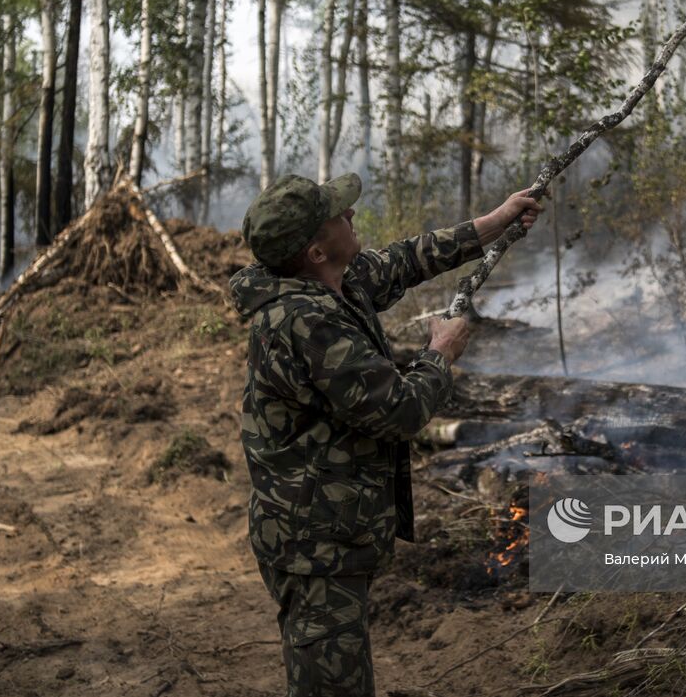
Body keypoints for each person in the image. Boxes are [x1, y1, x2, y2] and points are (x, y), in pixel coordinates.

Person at [229, 172, 542, 697]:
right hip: (314, 545)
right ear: (315, 251)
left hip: (331, 532)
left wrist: (497, 221)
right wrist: (440, 354)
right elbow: (397, 410)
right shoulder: (304, 322)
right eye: (336, 215)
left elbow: (406, 259)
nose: (350, 215)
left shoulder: (331, 284)